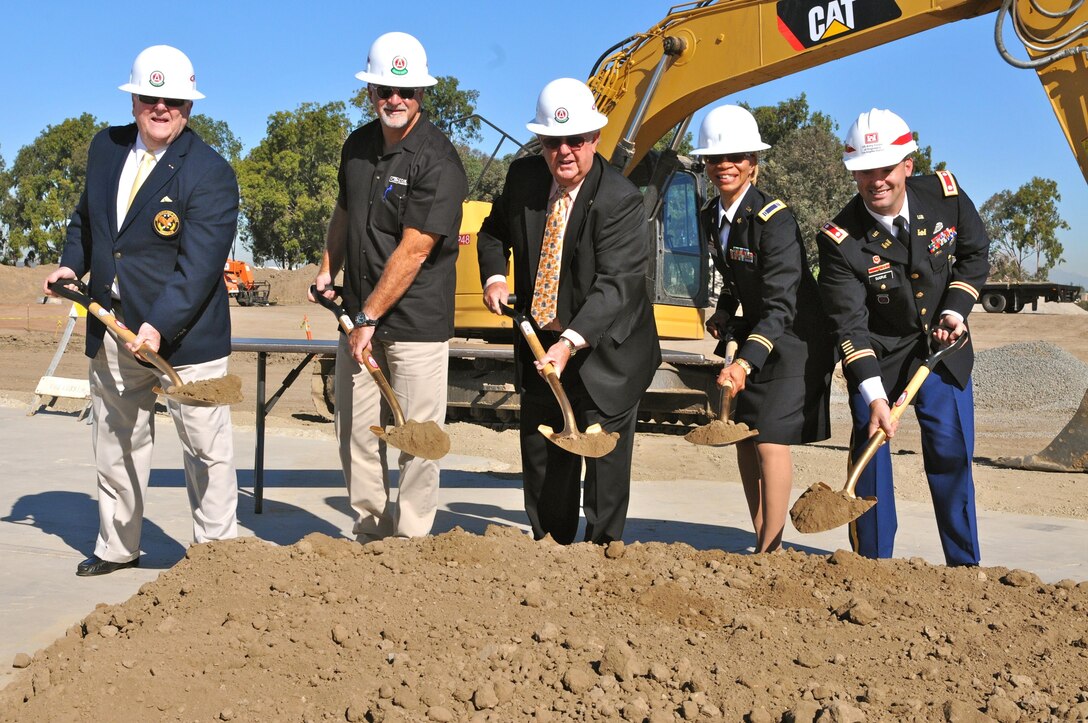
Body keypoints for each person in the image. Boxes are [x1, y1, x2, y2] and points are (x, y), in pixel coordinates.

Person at [43, 45, 240, 576]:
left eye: (172, 99)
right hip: (112, 329)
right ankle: (117, 546)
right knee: (117, 443)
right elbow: (87, 222)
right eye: (150, 97)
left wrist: (157, 327)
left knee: (205, 451)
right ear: (133, 99)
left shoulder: (210, 174)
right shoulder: (105, 149)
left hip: (186, 340)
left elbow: (198, 269)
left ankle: (217, 558)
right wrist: (71, 266)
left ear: (189, 106)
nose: (160, 108)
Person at [477, 77, 661, 545]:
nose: (565, 152)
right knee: (544, 462)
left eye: (575, 141)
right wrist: (495, 276)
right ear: (540, 142)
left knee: (602, 468)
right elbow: (493, 232)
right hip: (541, 346)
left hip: (607, 355)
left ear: (595, 139)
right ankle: (550, 548)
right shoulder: (523, 180)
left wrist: (567, 343)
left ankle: (603, 557)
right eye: (553, 142)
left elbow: (614, 287)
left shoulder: (620, 200)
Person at [816, 108, 991, 566]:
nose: (877, 180)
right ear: (853, 172)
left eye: (886, 168)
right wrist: (874, 396)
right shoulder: (839, 240)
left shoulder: (945, 196)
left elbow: (974, 253)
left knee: (952, 456)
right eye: (865, 170)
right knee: (870, 456)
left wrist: (955, 309)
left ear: (907, 165)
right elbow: (849, 325)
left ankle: (964, 566)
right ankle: (873, 566)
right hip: (878, 357)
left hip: (942, 349)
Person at [311, 32, 467, 542]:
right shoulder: (356, 146)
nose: (394, 100)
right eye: (384, 90)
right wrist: (325, 268)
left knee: (417, 440)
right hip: (359, 316)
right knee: (355, 432)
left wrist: (370, 316)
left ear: (422, 95)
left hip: (413, 324)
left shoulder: (439, 161)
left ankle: (414, 539)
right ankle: (370, 532)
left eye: (406, 92)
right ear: (370, 91)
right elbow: (345, 212)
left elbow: (416, 249)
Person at [691, 105, 834, 553]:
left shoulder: (776, 220)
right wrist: (724, 311)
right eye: (715, 159)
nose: (724, 166)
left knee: (769, 437)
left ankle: (772, 550)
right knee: (743, 439)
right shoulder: (710, 215)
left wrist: (745, 364)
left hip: (792, 340)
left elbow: (780, 302)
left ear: (754, 162)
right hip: (756, 333)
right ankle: (761, 539)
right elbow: (736, 277)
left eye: (735, 156)